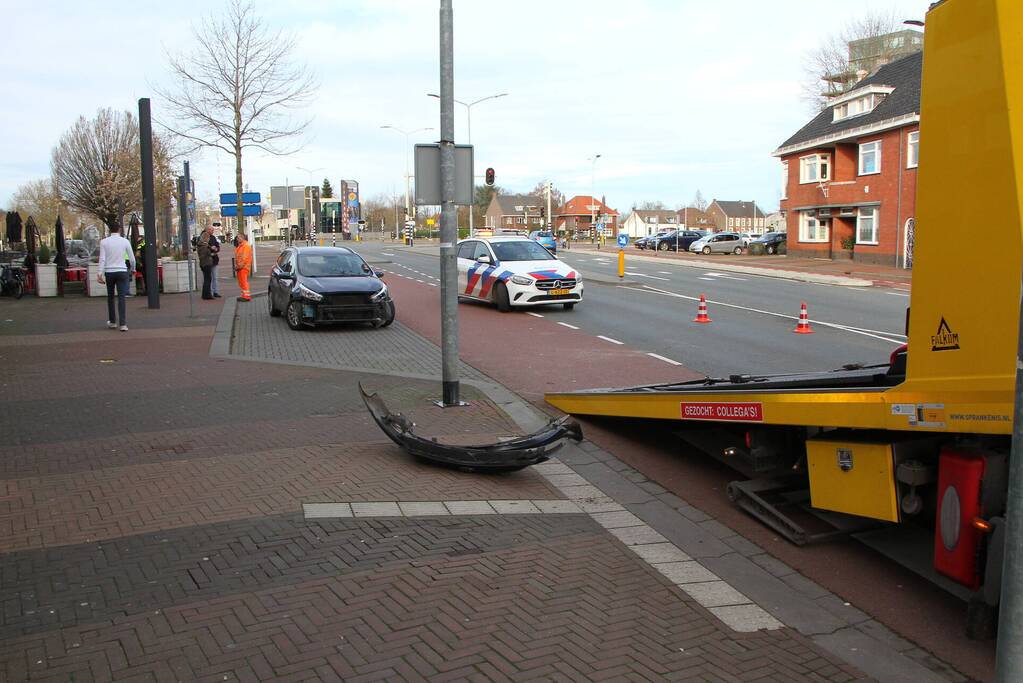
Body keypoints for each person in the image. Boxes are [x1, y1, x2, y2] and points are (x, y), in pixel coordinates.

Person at [97, 223, 135, 331]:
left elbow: (102, 259)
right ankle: (123, 324)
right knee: (121, 297)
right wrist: (133, 269)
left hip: (109, 272)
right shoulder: (125, 241)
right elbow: (132, 259)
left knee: (110, 297)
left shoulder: (104, 242)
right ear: (119, 229)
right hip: (122, 271)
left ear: (109, 230)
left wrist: (100, 273)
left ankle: (113, 322)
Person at [196, 225, 215, 300]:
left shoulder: (202, 244)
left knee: (206, 279)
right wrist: (210, 254)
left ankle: (205, 294)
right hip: (206, 263)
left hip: (203, 263)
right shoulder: (203, 245)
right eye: (208, 238)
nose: (208, 239)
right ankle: (207, 295)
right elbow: (204, 254)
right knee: (208, 279)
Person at [234, 231, 252, 302]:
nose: (237, 239)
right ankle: (244, 295)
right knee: (241, 282)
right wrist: (237, 266)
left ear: (242, 238)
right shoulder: (241, 246)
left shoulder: (245, 246)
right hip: (241, 267)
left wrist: (238, 266)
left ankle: (246, 296)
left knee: (243, 282)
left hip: (244, 267)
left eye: (238, 238)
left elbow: (244, 258)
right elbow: (238, 257)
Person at [209, 231, 222, 298]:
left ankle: (215, 292)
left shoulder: (213, 237)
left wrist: (216, 249)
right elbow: (202, 249)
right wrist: (211, 249)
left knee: (215, 277)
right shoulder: (203, 238)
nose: (212, 231)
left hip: (214, 260)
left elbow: (217, 245)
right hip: (207, 261)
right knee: (209, 278)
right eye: (211, 230)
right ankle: (210, 292)